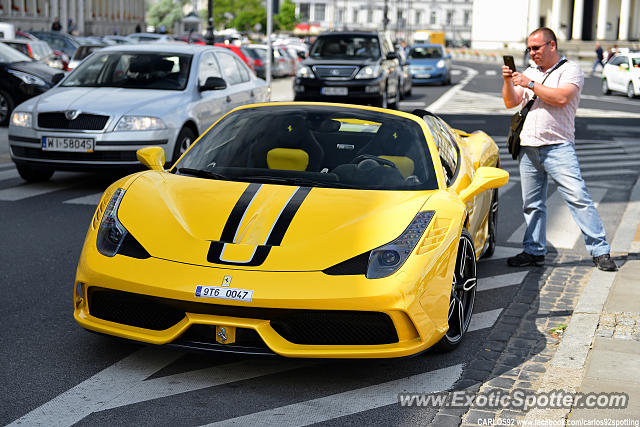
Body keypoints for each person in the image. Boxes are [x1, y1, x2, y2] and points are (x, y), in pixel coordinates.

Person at [501, 27, 617, 272]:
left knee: (578, 199)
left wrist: (530, 83)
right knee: (532, 204)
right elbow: (511, 102)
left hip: (558, 147)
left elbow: (562, 98)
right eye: (529, 49)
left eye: (536, 48)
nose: (532, 53)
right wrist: (508, 82)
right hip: (528, 147)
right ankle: (533, 251)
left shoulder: (570, 69)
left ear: (551, 45)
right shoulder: (530, 71)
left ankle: (600, 251)